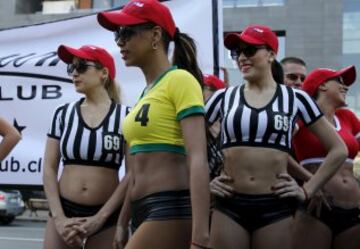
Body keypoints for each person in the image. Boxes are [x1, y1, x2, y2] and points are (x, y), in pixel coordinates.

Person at [205, 24, 347, 249]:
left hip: (275, 207)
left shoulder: (295, 99)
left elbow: (339, 150)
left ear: (271, 54)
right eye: (237, 52)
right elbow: (186, 142)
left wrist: (307, 190)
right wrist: (206, 182)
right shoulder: (223, 97)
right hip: (229, 205)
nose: (242, 57)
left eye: (249, 50)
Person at [97, 1, 211, 249]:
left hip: (170, 207)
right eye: (118, 34)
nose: (119, 42)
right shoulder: (146, 92)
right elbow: (135, 170)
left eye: (126, 32)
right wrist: (122, 221)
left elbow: (198, 158)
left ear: (155, 35)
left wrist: (201, 237)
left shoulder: (180, 80)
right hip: (142, 211)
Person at [43, 44, 130, 249]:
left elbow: (132, 173)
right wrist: (59, 219)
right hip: (64, 211)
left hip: (106, 215)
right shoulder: (62, 113)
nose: (74, 73)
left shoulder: (126, 116)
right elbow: (48, 168)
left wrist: (100, 218)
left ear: (103, 73)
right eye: (71, 68)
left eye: (82, 67)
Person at [292, 66, 360, 249]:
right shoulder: (300, 117)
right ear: (322, 86)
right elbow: (277, 153)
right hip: (316, 207)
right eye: (340, 81)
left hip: (354, 209)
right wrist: (310, 184)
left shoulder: (348, 117)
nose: (345, 87)